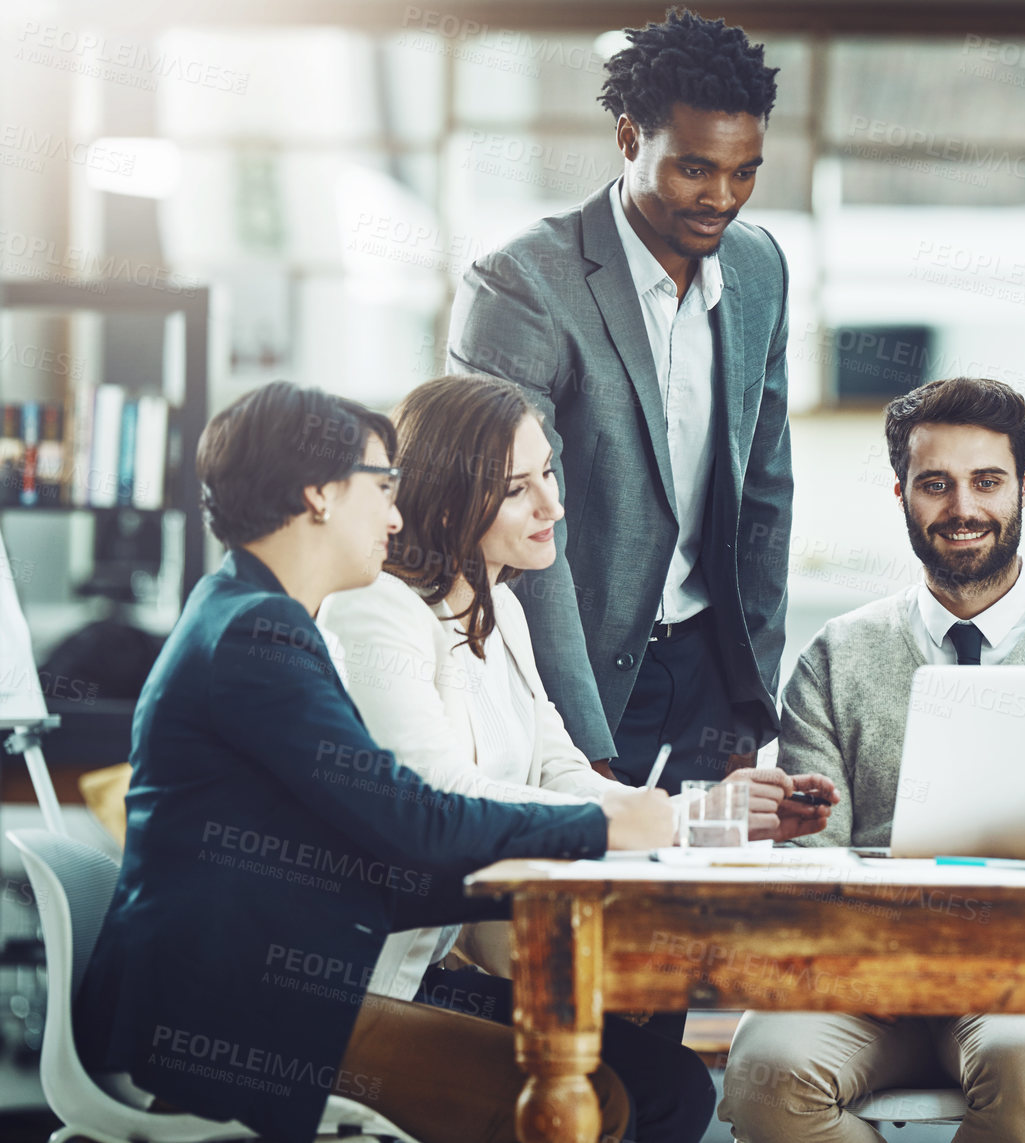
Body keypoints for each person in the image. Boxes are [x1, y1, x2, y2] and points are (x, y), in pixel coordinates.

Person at [73, 382, 673, 1143]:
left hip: (256, 992)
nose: (396, 514)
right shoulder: (258, 635)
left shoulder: (253, 614)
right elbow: (408, 818)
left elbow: (380, 830)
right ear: (320, 494)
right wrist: (599, 827)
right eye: (382, 488)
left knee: (641, 1072)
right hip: (231, 1019)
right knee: (597, 1096)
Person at [317, 374, 838, 1143]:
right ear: (448, 498)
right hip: (367, 986)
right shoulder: (380, 610)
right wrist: (641, 821)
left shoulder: (503, 615)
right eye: (517, 489)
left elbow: (561, 773)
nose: (553, 506)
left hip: (441, 970)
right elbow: (441, 793)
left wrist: (710, 812)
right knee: (637, 1092)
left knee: (672, 1082)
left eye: (548, 475)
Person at [718, 377, 1025, 1143]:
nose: (962, 508)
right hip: (861, 979)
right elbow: (815, 861)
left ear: (1024, 485)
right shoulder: (837, 656)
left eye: (986, 481)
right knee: (766, 1070)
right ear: (901, 494)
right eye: (935, 484)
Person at [447, 9, 792, 792]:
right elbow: (517, 522)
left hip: (712, 668)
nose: (722, 197)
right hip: (578, 667)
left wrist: (750, 700)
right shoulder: (522, 287)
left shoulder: (759, 269)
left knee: (702, 907)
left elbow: (764, 492)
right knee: (578, 905)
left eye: (744, 172)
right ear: (630, 138)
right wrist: (576, 737)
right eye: (695, 168)